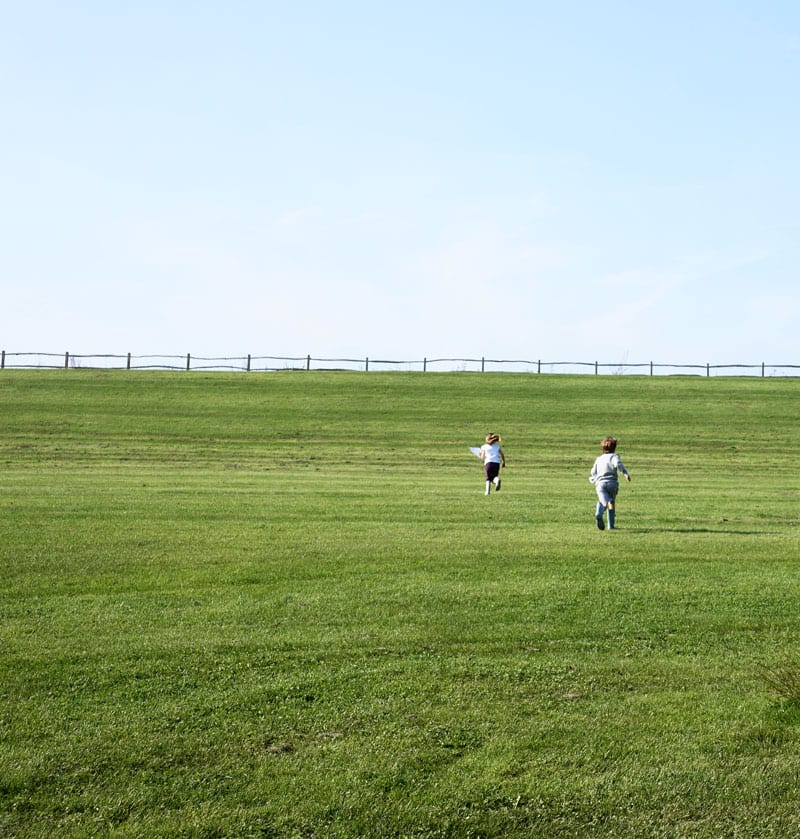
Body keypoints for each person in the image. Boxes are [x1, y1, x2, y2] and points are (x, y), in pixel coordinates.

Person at [589, 436, 631, 530]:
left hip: (600, 485)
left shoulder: (598, 459)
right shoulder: (614, 457)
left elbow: (593, 472)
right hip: (612, 484)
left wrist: (593, 478)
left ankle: (599, 514)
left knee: (603, 501)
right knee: (611, 503)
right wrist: (625, 473)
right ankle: (610, 526)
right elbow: (618, 464)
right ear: (614, 448)